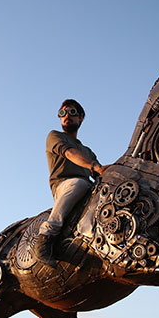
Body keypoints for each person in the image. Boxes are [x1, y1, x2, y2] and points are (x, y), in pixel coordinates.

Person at [32, 99, 109, 267]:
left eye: (72, 112)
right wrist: (94, 166)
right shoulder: (55, 136)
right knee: (79, 183)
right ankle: (46, 237)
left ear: (81, 118)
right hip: (64, 186)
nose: (67, 116)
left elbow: (100, 175)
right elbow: (70, 153)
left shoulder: (88, 151)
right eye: (63, 113)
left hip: (87, 187)